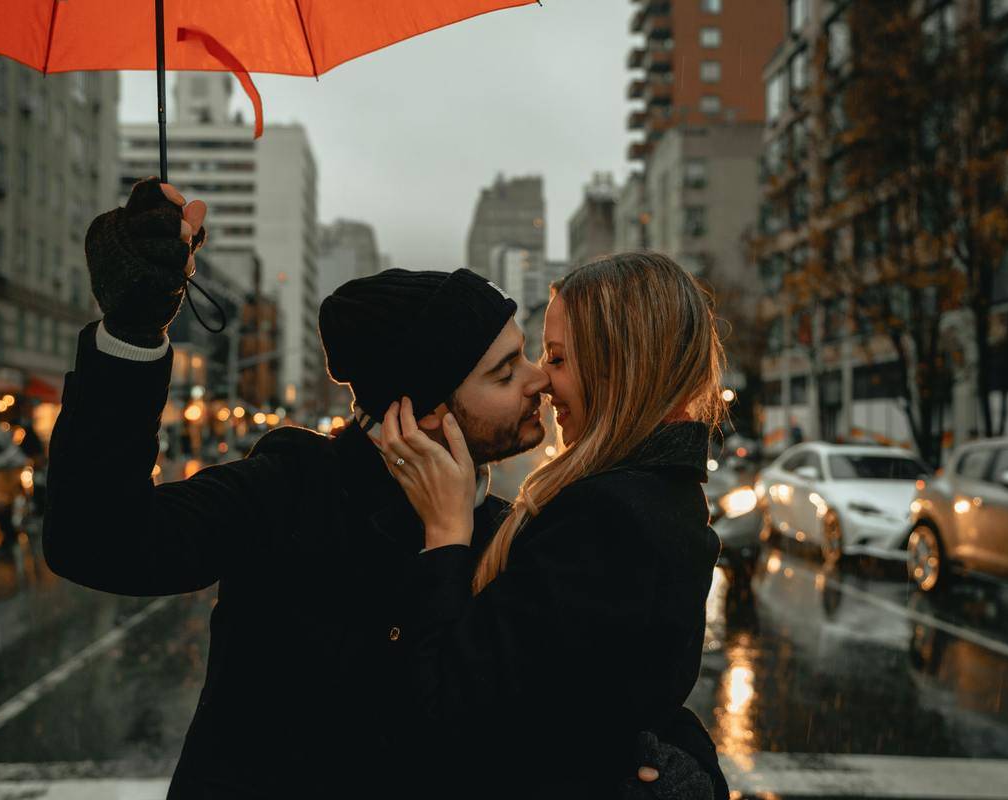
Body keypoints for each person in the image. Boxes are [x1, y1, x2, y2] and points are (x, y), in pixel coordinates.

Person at [44, 178, 709, 797]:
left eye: (533, 357)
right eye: (505, 373)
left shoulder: (517, 533)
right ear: (427, 415)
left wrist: (678, 759)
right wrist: (131, 334)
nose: (539, 380)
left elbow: (598, 688)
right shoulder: (292, 491)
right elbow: (98, 541)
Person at [379, 252, 731, 799]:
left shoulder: (612, 518)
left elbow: (447, 711)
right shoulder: (654, 496)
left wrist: (446, 537)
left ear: (621, 367)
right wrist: (692, 761)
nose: (542, 379)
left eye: (559, 358)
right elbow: (621, 696)